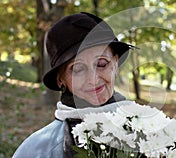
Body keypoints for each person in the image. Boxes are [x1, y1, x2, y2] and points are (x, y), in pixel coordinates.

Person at [13, 12, 134, 158]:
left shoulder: (151, 132)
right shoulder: (34, 151)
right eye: (78, 69)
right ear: (60, 79)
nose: (93, 79)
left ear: (115, 63)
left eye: (102, 64)